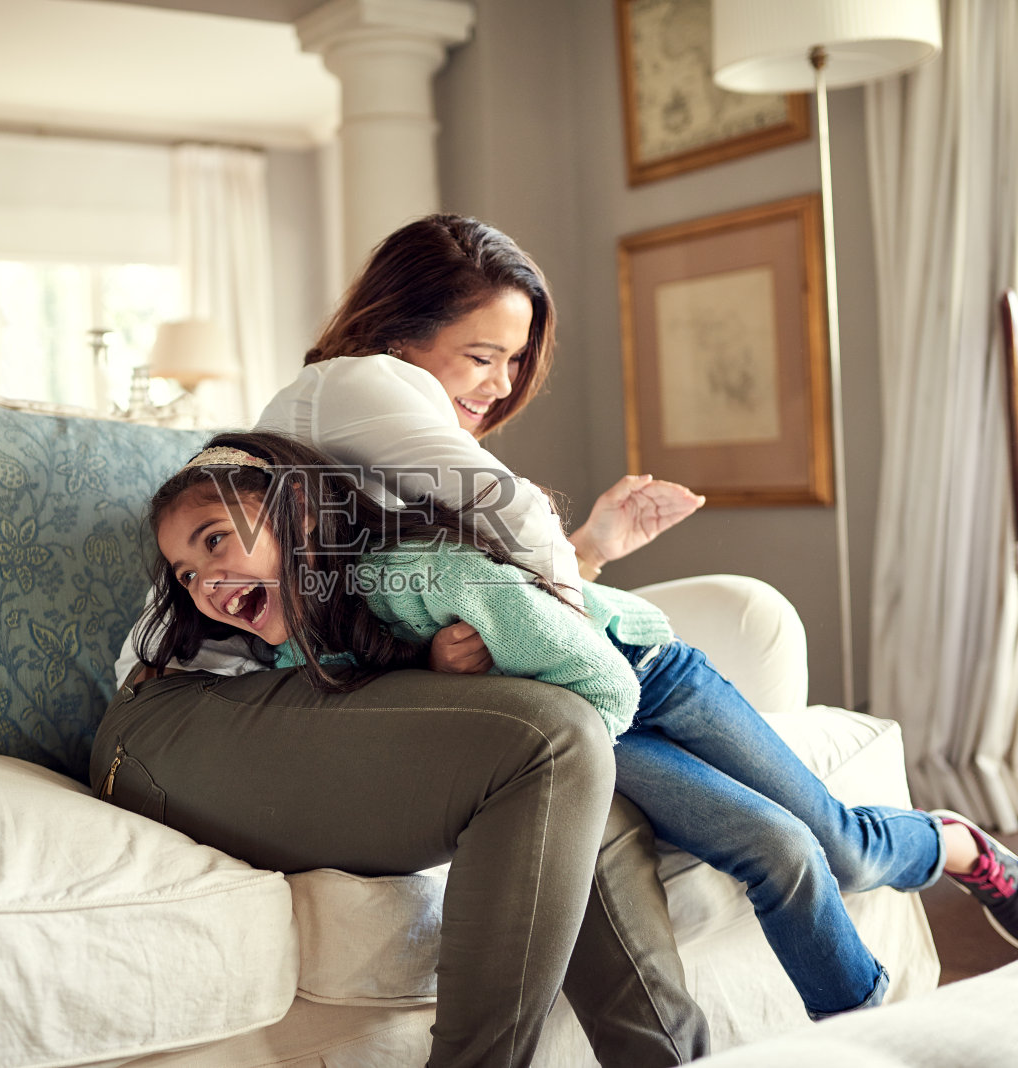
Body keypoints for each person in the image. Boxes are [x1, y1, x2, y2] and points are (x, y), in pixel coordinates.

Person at [142, 429, 1018, 1023]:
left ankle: (951, 845)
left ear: (294, 515)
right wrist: (430, 674)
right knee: (779, 851)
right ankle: (871, 1039)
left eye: (216, 542)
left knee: (842, 848)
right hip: (576, 739)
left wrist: (536, 727)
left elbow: (592, 679)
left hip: (644, 683)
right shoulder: (290, 656)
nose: (207, 585)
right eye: (186, 573)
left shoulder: (414, 573)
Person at [100, 215, 715, 1067]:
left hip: (291, 698)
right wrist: (572, 650)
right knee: (555, 736)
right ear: (399, 335)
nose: (500, 386)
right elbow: (519, 519)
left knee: (579, 781)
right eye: (480, 355)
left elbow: (453, 588)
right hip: (174, 725)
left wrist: (585, 565)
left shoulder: (379, 452)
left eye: (514, 360)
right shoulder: (358, 386)